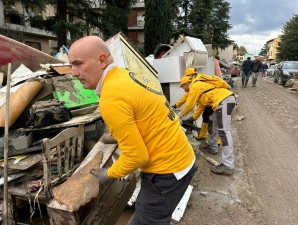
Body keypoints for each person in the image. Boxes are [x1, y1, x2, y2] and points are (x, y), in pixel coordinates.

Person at [68, 36, 196, 225]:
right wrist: (121, 136)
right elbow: (146, 116)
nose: (73, 73)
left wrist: (109, 174)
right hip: (182, 159)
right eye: (71, 65)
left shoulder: (111, 97)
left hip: (166, 173)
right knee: (160, 217)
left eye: (78, 64)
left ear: (102, 61)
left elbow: (137, 157)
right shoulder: (126, 75)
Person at [178, 75, 236, 175]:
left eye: (183, 87)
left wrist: (178, 117)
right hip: (221, 102)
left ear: (186, 84)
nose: (183, 90)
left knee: (224, 132)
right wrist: (192, 118)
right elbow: (201, 106)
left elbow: (189, 105)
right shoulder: (200, 89)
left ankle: (228, 165)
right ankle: (213, 147)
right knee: (211, 123)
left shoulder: (195, 86)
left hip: (224, 101)